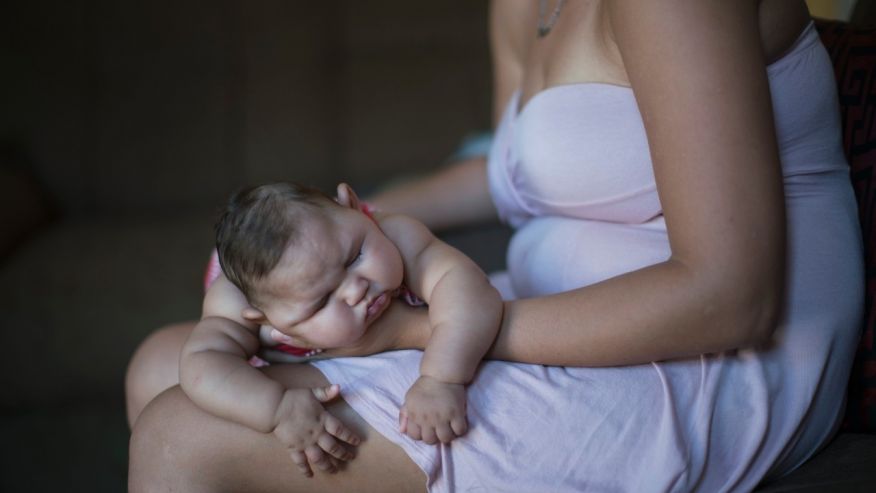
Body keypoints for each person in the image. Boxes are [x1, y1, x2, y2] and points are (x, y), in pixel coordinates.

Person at [126, 0, 864, 491]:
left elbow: (732, 299)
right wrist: (312, 245)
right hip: (539, 308)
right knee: (166, 358)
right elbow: (516, 168)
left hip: (706, 360)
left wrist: (419, 329)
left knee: (180, 436)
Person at [179, 181, 501, 476]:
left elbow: (471, 291)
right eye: (323, 301)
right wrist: (276, 409)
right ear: (264, 320)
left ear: (352, 206)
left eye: (354, 257)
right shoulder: (234, 306)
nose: (355, 290)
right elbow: (200, 365)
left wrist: (441, 378)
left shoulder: (397, 235)